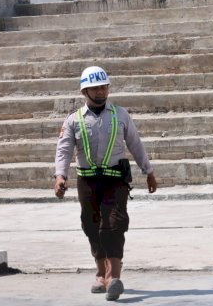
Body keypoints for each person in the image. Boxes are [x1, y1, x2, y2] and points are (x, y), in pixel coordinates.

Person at [54, 66, 158, 301]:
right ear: (85, 92)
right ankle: (100, 273)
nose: (101, 92)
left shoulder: (120, 115)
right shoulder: (74, 120)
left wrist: (148, 171)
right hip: (87, 181)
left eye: (104, 87)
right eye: (95, 88)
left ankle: (114, 278)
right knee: (91, 225)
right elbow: (64, 149)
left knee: (114, 224)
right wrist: (60, 176)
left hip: (115, 180)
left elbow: (135, 143)